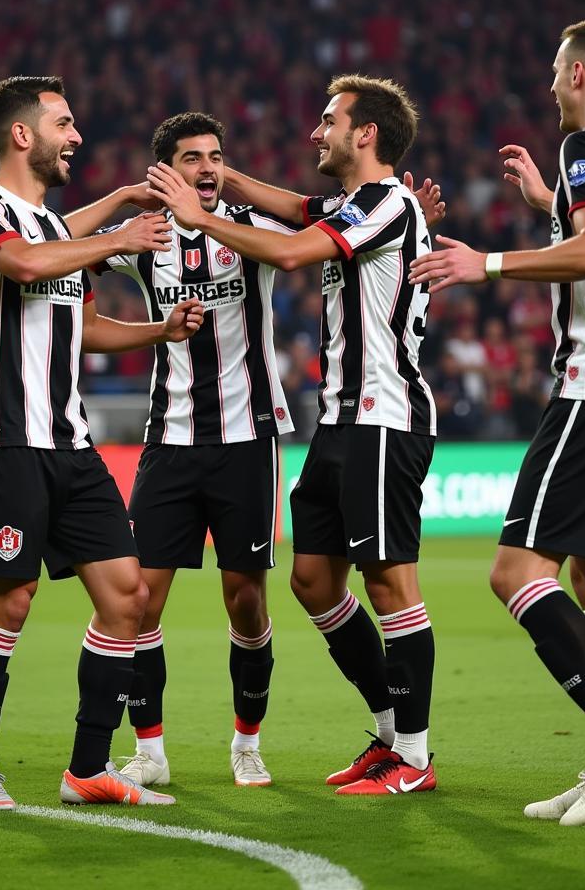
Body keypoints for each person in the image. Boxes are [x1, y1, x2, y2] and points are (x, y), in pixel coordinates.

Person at [409, 16, 585, 826]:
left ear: (577, 76)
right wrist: (549, 207)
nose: (547, 85)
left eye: (554, 71)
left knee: (516, 573)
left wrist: (484, 262)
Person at [148, 75, 440, 797]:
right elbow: (290, 208)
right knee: (313, 581)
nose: (316, 133)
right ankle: (386, 728)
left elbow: (285, 252)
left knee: (391, 585)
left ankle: (417, 756)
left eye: (328, 120)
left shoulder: (385, 202)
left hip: (384, 414)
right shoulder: (354, 204)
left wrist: (201, 212)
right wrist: (212, 180)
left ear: (364, 132)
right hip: (338, 424)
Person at [0, 75, 204, 811]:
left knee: (127, 599)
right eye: (64, 122)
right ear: (22, 134)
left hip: (72, 444)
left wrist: (157, 330)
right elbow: (23, 264)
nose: (77, 136)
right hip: (5, 440)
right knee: (12, 598)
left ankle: (88, 769)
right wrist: (118, 234)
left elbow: (81, 323)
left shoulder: (59, 231)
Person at [62, 111, 302, 789]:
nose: (207, 166)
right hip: (168, 440)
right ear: (165, 168)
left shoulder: (252, 227)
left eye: (215, 155)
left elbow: (320, 233)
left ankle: (247, 743)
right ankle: (151, 750)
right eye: (192, 157)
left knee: (245, 602)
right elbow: (52, 239)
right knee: (138, 601)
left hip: (247, 439)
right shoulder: (147, 239)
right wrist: (125, 206)